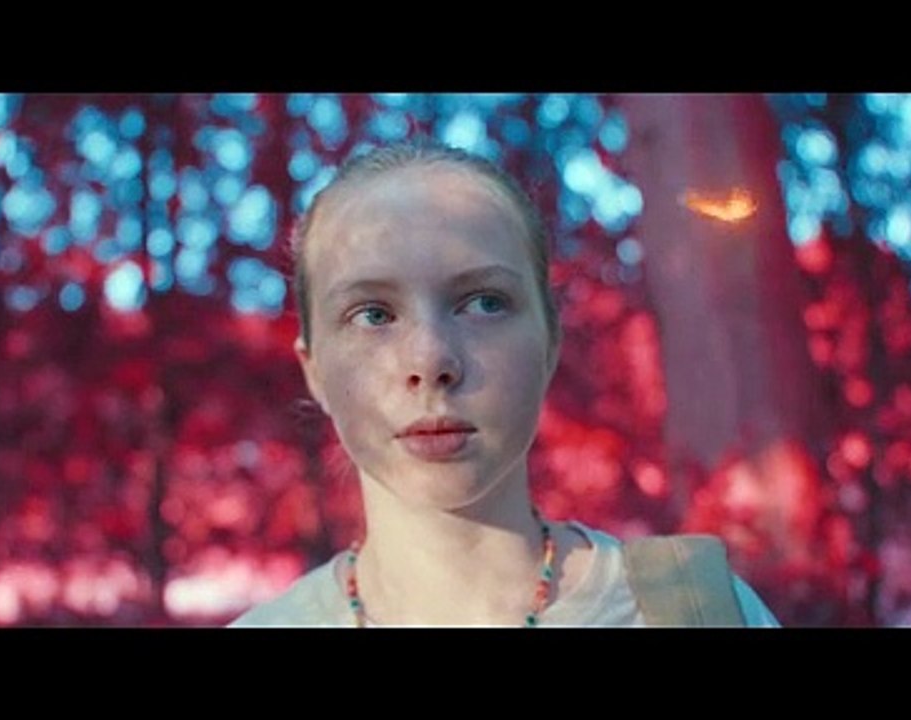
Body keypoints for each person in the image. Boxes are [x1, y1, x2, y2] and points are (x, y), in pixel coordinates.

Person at [230, 140, 780, 627]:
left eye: (484, 303)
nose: (431, 359)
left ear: (550, 343)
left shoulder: (699, 609)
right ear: (314, 369)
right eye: (372, 314)